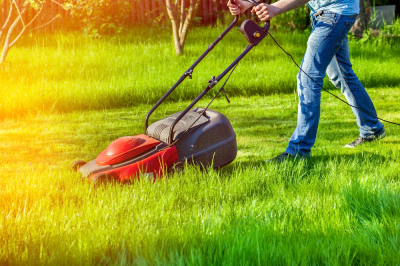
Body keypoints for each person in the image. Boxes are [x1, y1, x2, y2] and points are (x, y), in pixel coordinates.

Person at [227, 0, 386, 161]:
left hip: (336, 13)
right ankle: (372, 128)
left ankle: (299, 151)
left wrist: (275, 8)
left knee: (308, 78)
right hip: (327, 13)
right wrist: (247, 2)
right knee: (341, 75)